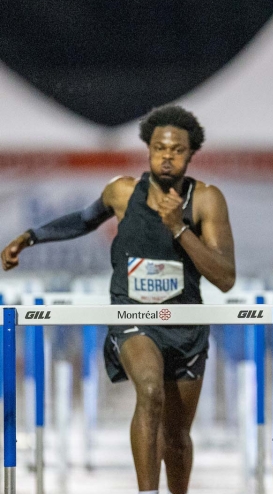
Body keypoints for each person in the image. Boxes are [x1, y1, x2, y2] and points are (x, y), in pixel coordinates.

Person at [2, 105, 236, 494]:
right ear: (147, 149)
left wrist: (179, 228)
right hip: (133, 316)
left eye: (177, 150)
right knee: (149, 388)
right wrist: (29, 237)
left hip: (186, 324)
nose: (166, 156)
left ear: (192, 153)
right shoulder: (122, 192)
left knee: (177, 436)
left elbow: (225, 278)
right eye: (159, 147)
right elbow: (81, 220)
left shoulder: (207, 200)